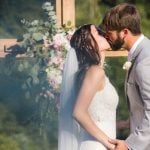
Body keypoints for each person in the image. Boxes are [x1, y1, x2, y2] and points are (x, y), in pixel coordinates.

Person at [58, 24, 119, 150]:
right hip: (97, 145)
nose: (104, 35)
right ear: (88, 44)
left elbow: (98, 118)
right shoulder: (95, 72)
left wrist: (125, 124)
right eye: (97, 33)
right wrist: (110, 145)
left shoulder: (93, 72)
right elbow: (78, 113)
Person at [101, 3, 150, 150]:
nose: (107, 36)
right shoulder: (141, 53)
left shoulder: (144, 61)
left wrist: (130, 146)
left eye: (110, 32)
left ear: (125, 32)